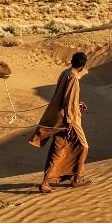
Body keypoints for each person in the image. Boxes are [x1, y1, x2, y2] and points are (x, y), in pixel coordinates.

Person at [29, 51, 92, 193]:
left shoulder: (66, 73)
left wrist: (77, 104)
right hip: (69, 120)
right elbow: (68, 99)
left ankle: (73, 178)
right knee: (83, 146)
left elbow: (66, 97)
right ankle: (65, 180)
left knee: (60, 149)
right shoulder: (74, 77)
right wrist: (69, 120)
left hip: (63, 116)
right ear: (82, 67)